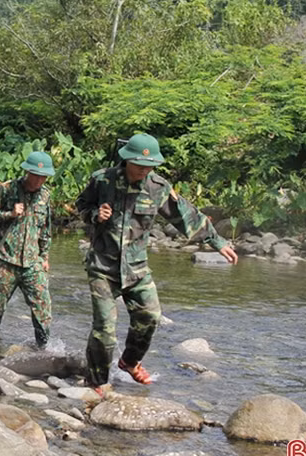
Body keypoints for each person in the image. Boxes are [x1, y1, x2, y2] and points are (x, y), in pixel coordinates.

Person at [75, 133, 238, 391]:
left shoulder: (158, 187)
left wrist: (217, 242)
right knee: (104, 329)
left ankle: (129, 362)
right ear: (126, 159)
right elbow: (81, 206)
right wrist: (96, 214)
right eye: (139, 164)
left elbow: (185, 217)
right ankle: (96, 383)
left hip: (137, 268)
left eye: (149, 165)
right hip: (103, 267)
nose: (144, 169)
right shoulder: (102, 180)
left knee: (150, 317)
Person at [0, 151, 55, 348]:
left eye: (43, 176)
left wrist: (45, 256)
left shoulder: (45, 196)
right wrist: (9, 214)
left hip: (32, 261)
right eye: (35, 175)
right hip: (6, 258)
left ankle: (44, 346)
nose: (39, 180)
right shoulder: (6, 189)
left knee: (42, 305)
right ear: (27, 172)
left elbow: (45, 229)